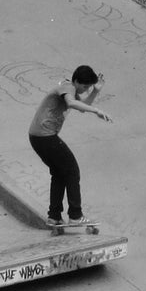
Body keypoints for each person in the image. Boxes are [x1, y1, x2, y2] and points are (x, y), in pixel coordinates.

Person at [28, 65, 110, 233]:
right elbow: (73, 103)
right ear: (77, 81)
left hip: (38, 136)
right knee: (72, 170)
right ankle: (75, 215)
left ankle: (55, 216)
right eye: (85, 87)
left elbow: (81, 106)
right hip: (45, 136)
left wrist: (96, 91)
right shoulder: (67, 87)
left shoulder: (72, 90)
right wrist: (96, 110)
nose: (86, 90)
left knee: (59, 173)